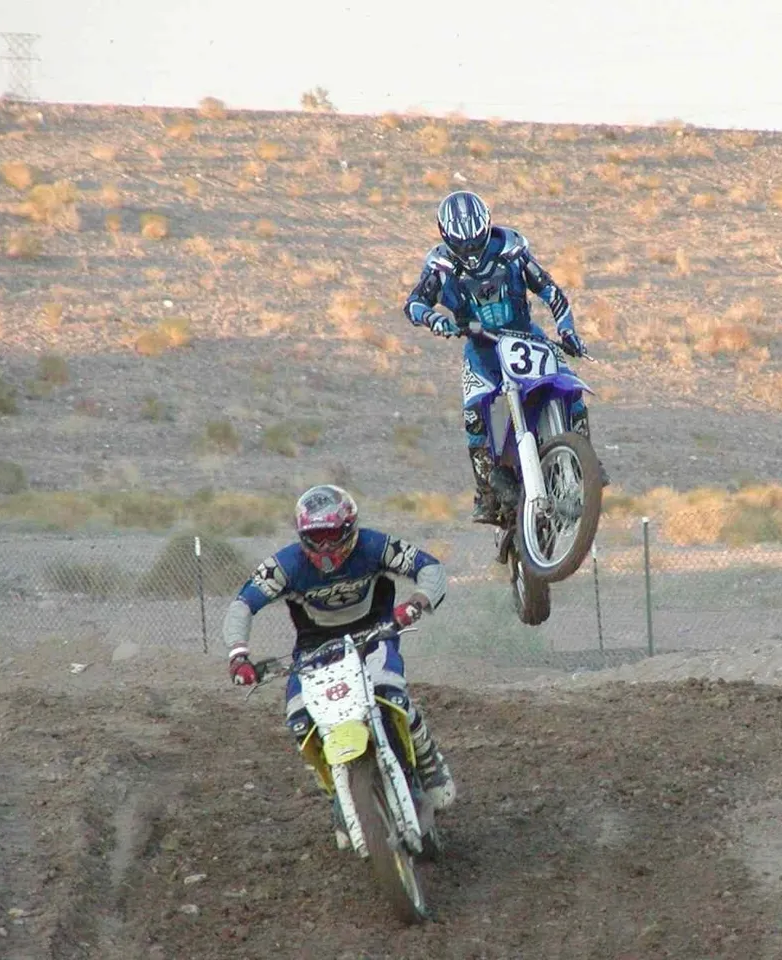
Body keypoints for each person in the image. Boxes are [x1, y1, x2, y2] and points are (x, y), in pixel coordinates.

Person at [223, 484, 454, 847]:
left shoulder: (374, 545)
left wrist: (418, 601)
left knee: (390, 693)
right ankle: (337, 795)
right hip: (317, 649)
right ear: (302, 536)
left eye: (333, 535)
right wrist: (239, 655)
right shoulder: (285, 565)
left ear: (350, 527)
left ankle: (429, 764)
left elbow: (429, 565)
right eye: (317, 537)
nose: (327, 547)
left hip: (376, 633)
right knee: (301, 720)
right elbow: (242, 605)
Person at [403, 190, 607, 524]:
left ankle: (586, 460)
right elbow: (414, 304)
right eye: (463, 245)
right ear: (447, 238)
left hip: (528, 338)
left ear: (487, 228)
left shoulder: (513, 252)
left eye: (476, 242)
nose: (471, 251)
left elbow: (552, 292)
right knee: (474, 417)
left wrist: (568, 330)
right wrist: (434, 319)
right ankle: (486, 491)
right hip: (481, 352)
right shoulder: (439, 267)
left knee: (569, 387)